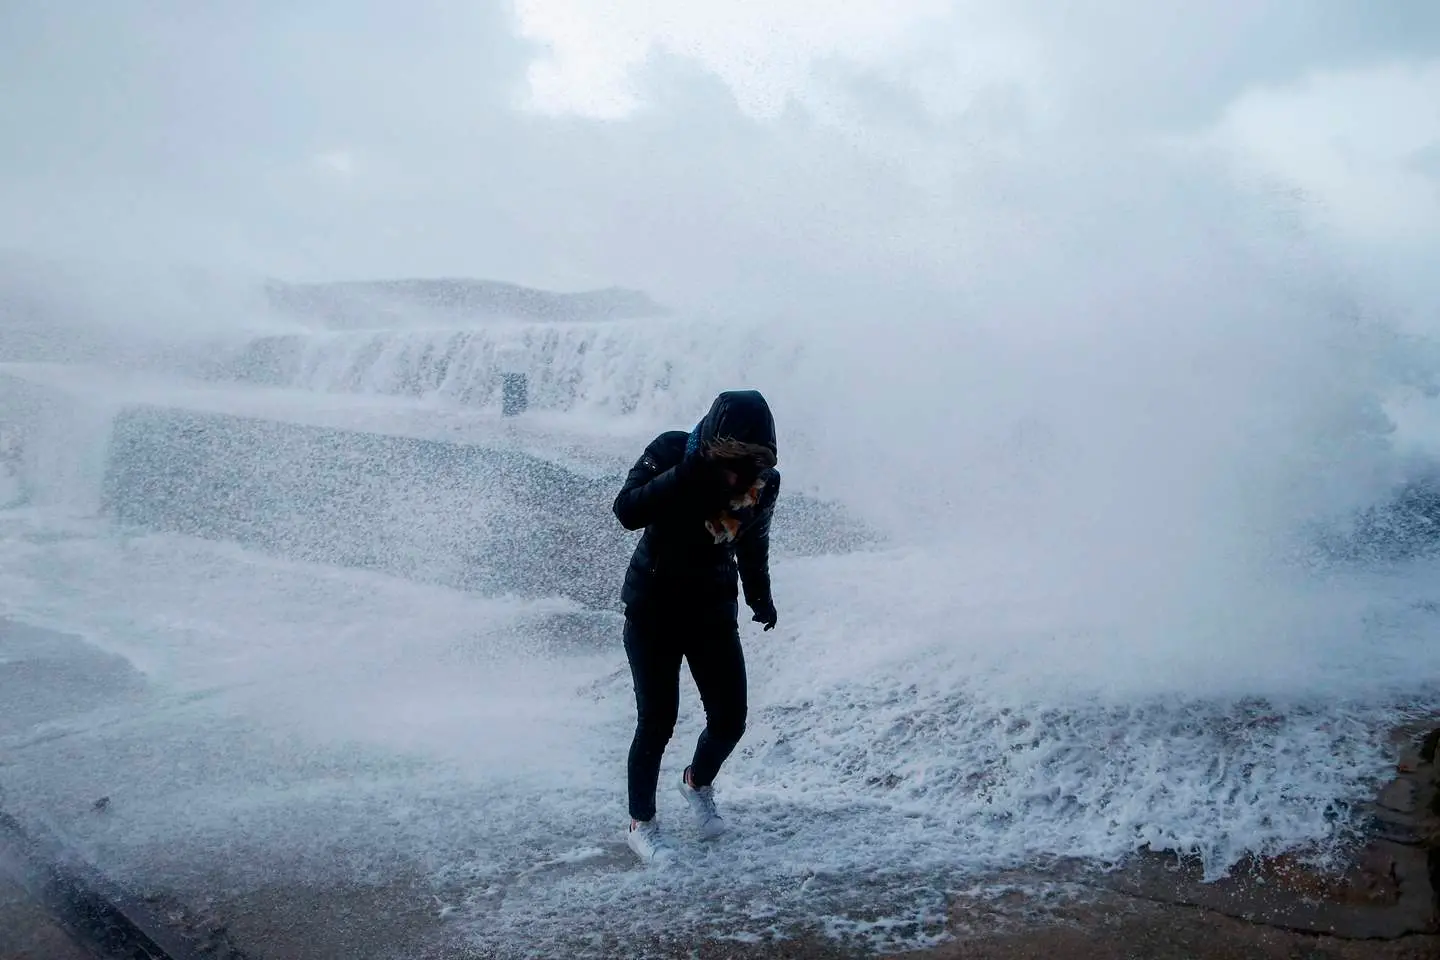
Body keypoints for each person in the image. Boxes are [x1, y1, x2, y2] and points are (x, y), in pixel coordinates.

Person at [612, 389, 781, 862]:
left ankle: (696, 783)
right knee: (657, 722)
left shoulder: (762, 483)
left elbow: (753, 542)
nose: (739, 472)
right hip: (653, 609)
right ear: (710, 443)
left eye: (752, 462)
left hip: (712, 609)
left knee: (730, 720)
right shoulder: (670, 451)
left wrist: (760, 596)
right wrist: (688, 475)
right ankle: (641, 823)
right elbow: (626, 511)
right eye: (731, 458)